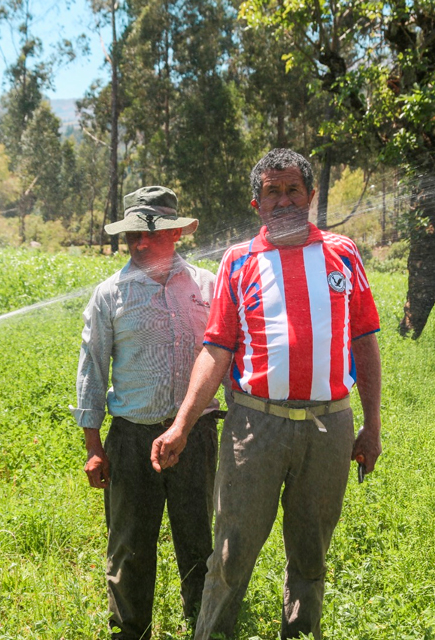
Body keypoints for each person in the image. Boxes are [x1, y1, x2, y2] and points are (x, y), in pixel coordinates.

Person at [150, 149, 383, 640]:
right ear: (256, 202)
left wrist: (372, 424)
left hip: (329, 428)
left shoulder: (343, 254)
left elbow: (364, 341)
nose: (283, 201)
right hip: (254, 428)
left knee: (310, 558)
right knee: (231, 556)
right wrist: (181, 425)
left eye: (293, 190)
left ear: (311, 196)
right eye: (272, 192)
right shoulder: (239, 261)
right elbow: (215, 350)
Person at [72, 186, 221, 640]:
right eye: (132, 234)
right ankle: (129, 630)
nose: (138, 243)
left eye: (149, 234)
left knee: (197, 539)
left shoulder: (206, 286)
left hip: (195, 435)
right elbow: (92, 369)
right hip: (133, 438)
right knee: (130, 545)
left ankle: (203, 624)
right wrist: (94, 448)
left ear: (175, 234)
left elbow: (227, 358)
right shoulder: (110, 294)